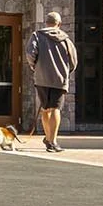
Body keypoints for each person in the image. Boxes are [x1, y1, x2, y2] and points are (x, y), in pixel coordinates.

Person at [26, 10, 77, 152]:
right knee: (55, 109)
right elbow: (73, 61)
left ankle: (48, 138)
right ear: (59, 24)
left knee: (45, 109)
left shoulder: (37, 35)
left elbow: (30, 53)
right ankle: (52, 141)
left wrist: (35, 67)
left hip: (41, 79)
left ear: (46, 23)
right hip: (59, 79)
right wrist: (66, 71)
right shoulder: (66, 40)